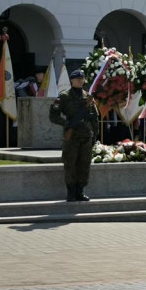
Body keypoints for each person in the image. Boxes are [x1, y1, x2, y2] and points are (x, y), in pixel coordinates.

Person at [48, 69, 99, 202]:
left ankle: (80, 191)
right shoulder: (64, 96)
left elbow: (94, 118)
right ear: (71, 80)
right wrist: (66, 124)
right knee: (70, 163)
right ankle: (71, 192)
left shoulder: (88, 97)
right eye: (78, 79)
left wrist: (95, 135)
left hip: (86, 135)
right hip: (72, 136)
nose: (80, 81)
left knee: (84, 164)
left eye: (82, 79)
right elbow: (53, 115)